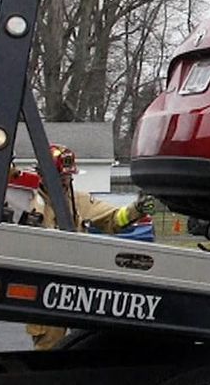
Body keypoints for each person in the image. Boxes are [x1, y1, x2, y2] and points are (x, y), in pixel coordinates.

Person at [22, 144, 156, 350]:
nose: (65, 181)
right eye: (60, 177)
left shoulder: (80, 200)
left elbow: (113, 219)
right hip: (43, 283)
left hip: (77, 283)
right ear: (43, 174)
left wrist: (135, 210)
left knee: (83, 346)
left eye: (67, 177)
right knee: (48, 349)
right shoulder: (26, 200)